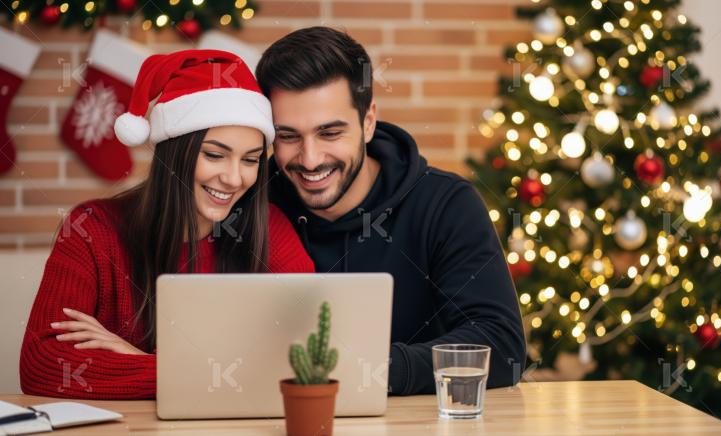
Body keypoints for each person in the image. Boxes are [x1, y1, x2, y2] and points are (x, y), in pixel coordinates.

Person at [19, 50, 314, 399]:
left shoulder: (269, 229)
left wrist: (143, 360)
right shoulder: (91, 230)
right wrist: (195, 372)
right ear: (174, 153)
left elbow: (304, 358)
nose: (234, 178)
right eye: (214, 155)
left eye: (250, 160)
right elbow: (44, 365)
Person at [256, 27, 526, 396]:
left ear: (368, 122)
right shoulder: (253, 205)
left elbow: (500, 344)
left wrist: (368, 373)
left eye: (330, 133)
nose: (310, 158)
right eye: (288, 137)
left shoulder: (445, 204)